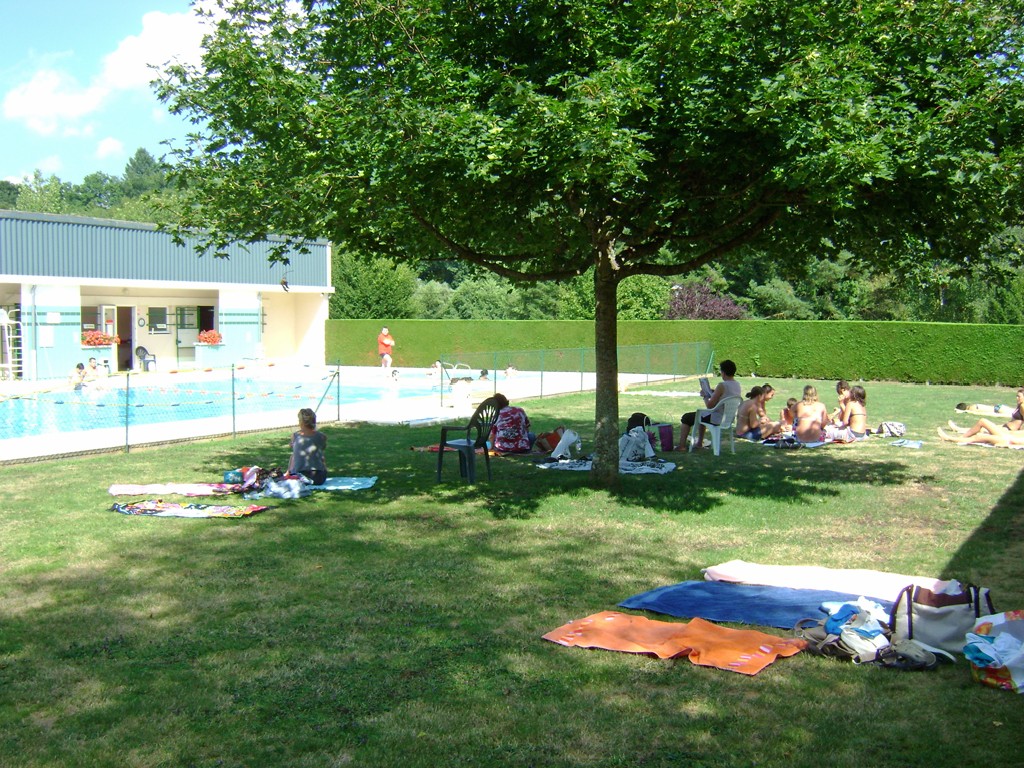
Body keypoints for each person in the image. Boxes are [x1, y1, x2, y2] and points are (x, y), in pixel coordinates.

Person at [676, 359, 743, 451]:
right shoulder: (737, 384)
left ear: (723, 372)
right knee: (702, 415)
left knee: (687, 417)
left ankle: (682, 446)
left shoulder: (722, 385)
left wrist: (705, 396)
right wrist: (713, 392)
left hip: (716, 418)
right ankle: (699, 443)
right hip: (728, 418)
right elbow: (726, 396)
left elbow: (710, 406)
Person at [288, 407, 328, 485]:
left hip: (299, 477)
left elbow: (296, 451)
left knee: (292, 456)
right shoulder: (322, 436)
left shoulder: (295, 436)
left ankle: (288, 474)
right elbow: (322, 448)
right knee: (321, 455)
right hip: (319, 478)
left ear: (301, 422)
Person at [937, 426, 1024, 448]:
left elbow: (1019, 442)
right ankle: (952, 437)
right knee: (980, 434)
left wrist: (1009, 443)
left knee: (978, 436)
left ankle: (948, 438)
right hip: (1008, 436)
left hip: (1007, 440)